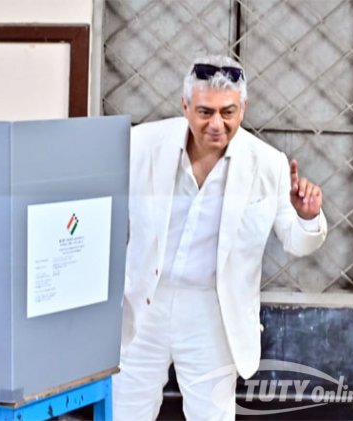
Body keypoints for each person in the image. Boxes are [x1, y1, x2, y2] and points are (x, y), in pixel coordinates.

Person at [113, 55, 327, 420]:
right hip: (144, 304)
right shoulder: (141, 144)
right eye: (204, 112)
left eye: (228, 112)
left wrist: (308, 216)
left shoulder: (268, 164)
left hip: (214, 311)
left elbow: (296, 241)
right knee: (125, 411)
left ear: (243, 108)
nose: (216, 124)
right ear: (185, 106)